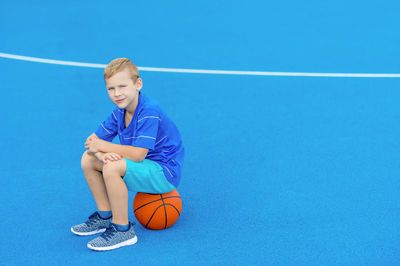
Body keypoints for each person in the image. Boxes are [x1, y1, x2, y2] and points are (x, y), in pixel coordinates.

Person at [70, 58, 184, 251]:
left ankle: (123, 230)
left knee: (112, 166)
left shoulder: (149, 110)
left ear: (138, 84)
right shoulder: (119, 113)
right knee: (88, 159)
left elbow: (138, 155)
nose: (117, 94)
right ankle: (105, 216)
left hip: (164, 171)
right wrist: (102, 155)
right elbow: (91, 143)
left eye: (122, 86)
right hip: (144, 166)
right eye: (111, 89)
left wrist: (105, 148)